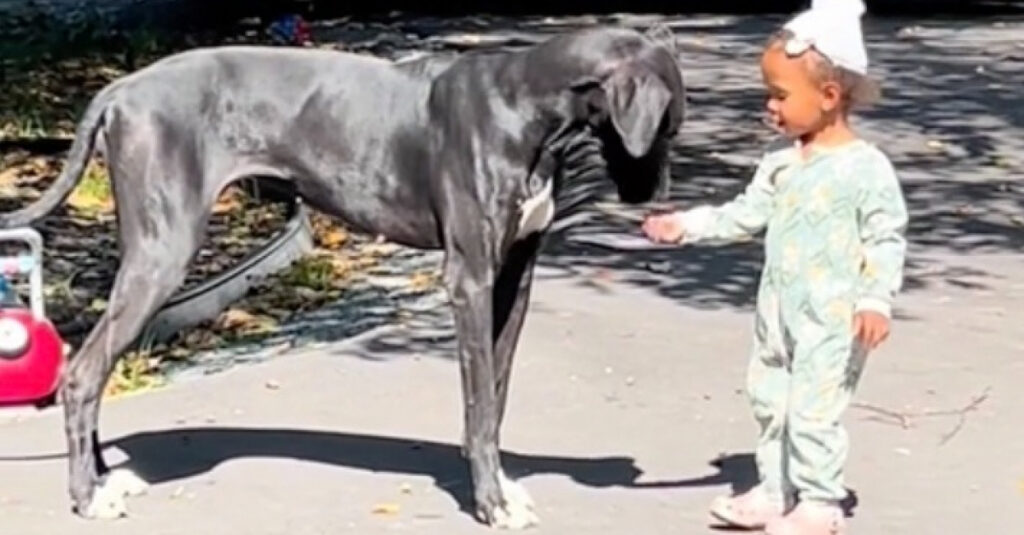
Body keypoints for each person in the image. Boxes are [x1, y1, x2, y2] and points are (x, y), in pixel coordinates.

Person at [641, 1, 908, 533]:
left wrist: (876, 300)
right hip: (777, 314)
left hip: (833, 319)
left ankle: (820, 501)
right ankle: (774, 487)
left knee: (813, 410)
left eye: (781, 96)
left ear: (830, 97)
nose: (770, 107)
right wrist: (688, 224)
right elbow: (746, 213)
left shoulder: (865, 168)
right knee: (771, 401)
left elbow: (885, 237)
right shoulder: (781, 163)